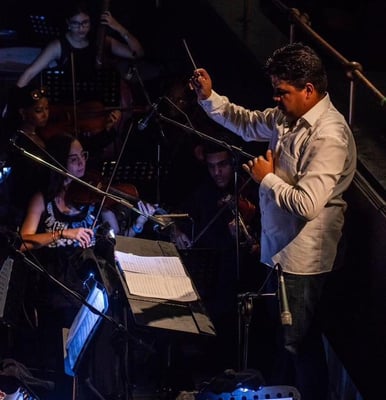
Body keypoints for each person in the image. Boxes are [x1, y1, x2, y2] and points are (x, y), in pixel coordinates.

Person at [189, 42, 357, 400]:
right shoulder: (287, 117)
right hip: (278, 250)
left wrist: (267, 177)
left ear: (308, 90)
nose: (276, 99)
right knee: (285, 346)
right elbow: (247, 121)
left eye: (283, 92)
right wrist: (209, 97)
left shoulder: (329, 135)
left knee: (300, 348)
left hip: (303, 262)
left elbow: (308, 203)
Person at [17, 132, 138, 399]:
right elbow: (23, 242)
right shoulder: (43, 200)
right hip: (55, 284)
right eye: (73, 159)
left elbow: (116, 237)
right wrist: (62, 234)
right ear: (59, 164)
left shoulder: (94, 198)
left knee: (111, 316)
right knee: (65, 314)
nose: (81, 163)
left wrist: (129, 218)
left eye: (83, 156)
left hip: (88, 282)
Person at [171, 138, 261, 374]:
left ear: (233, 163)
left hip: (238, 278)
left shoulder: (248, 190)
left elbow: (258, 245)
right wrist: (177, 230)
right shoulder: (205, 190)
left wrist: (242, 236)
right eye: (211, 167)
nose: (217, 172)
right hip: (207, 273)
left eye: (222, 165)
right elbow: (178, 216)